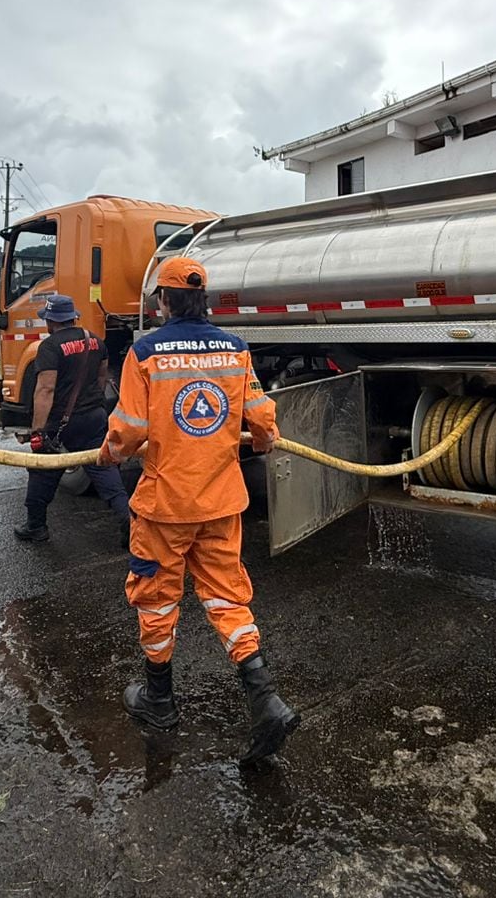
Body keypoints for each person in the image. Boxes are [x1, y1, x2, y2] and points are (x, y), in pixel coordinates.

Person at [99, 256, 299, 765]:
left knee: (157, 597)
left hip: (167, 505)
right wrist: (264, 439)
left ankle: (160, 699)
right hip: (220, 500)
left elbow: (128, 430)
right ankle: (265, 698)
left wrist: (109, 453)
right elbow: (260, 415)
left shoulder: (145, 352)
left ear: (162, 301)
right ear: (203, 297)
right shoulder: (234, 348)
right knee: (226, 594)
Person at [14, 294, 129, 542]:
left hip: (60, 422)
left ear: (51, 322)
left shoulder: (50, 346)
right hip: (94, 416)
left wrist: (38, 430)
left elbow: (46, 389)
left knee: (43, 471)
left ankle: (36, 526)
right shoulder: (96, 341)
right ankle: (126, 516)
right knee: (102, 466)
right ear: (72, 317)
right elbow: (102, 377)